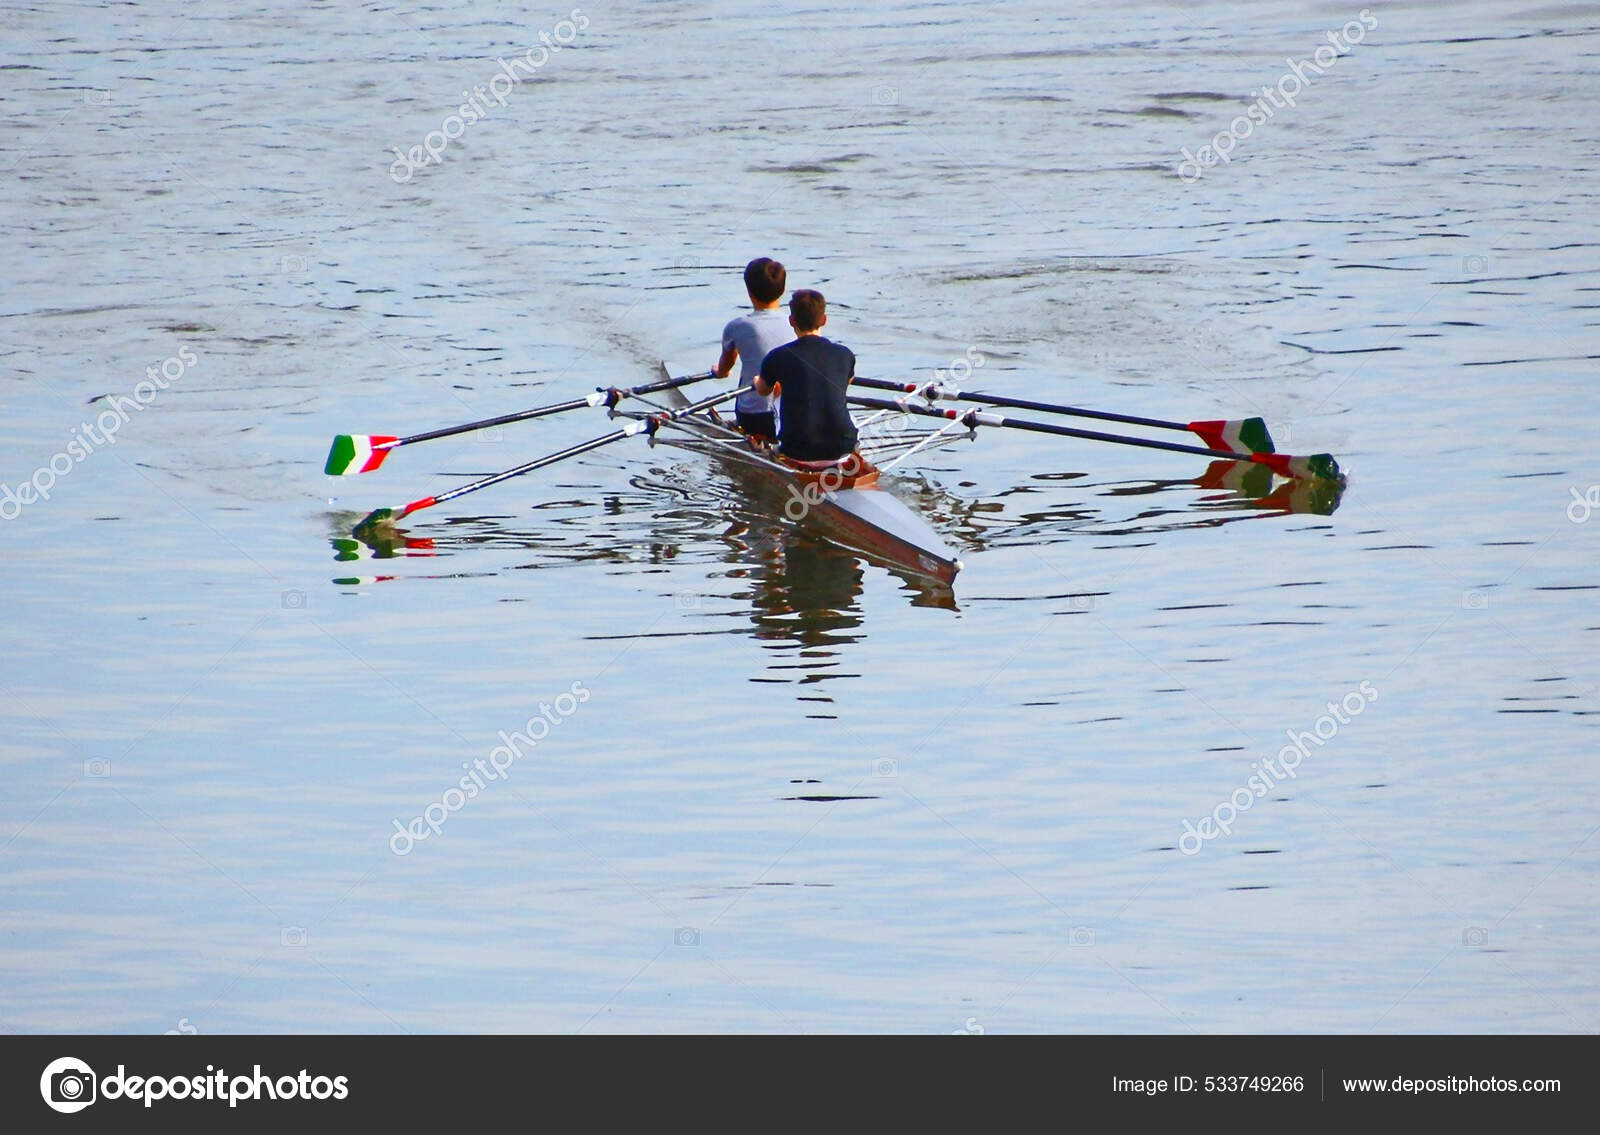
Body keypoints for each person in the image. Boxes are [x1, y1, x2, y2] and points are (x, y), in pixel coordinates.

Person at [754, 289, 858, 464]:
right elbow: (845, 384)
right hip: (843, 447)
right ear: (824, 320)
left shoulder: (777, 356)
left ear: (791, 321)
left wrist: (757, 380)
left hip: (797, 450)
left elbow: (764, 391)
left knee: (777, 401)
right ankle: (851, 462)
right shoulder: (845, 354)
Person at [714, 257, 791, 439]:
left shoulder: (736, 326)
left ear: (749, 292)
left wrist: (718, 372)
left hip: (754, 415)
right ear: (783, 289)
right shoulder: (798, 324)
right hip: (793, 413)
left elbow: (724, 370)